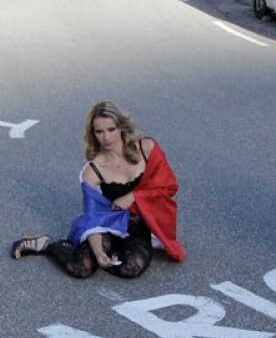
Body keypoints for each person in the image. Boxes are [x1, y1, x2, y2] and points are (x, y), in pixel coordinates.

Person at [11, 101, 183, 278]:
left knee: (130, 269)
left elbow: (169, 186)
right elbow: (93, 218)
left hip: (140, 226)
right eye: (99, 132)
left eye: (111, 129)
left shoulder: (146, 148)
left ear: (121, 127)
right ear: (93, 134)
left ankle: (114, 253)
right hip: (107, 226)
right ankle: (47, 244)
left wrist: (133, 196)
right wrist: (99, 253)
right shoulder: (91, 172)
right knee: (81, 268)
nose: (106, 137)